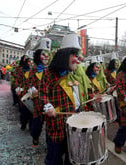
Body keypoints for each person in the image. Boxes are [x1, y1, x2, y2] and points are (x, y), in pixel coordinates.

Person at [39, 33, 94, 165]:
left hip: (75, 125)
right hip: (57, 125)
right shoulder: (49, 74)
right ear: (65, 56)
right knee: (54, 158)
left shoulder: (76, 74)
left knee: (73, 158)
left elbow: (81, 95)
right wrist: (48, 106)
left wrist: (92, 99)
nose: (78, 60)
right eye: (75, 56)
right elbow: (43, 94)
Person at [27, 38, 52, 146]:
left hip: (49, 100)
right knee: (37, 123)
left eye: (48, 54)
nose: (46, 56)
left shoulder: (51, 69)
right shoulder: (33, 69)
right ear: (38, 56)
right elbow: (29, 83)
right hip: (37, 102)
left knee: (51, 124)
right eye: (43, 54)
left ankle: (49, 143)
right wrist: (32, 89)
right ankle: (35, 137)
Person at [14, 55, 33, 130]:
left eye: (30, 61)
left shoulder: (32, 70)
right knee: (24, 110)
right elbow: (17, 80)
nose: (29, 63)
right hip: (23, 93)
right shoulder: (20, 69)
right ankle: (23, 123)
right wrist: (18, 89)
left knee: (31, 110)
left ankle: (31, 125)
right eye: (28, 61)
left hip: (31, 93)